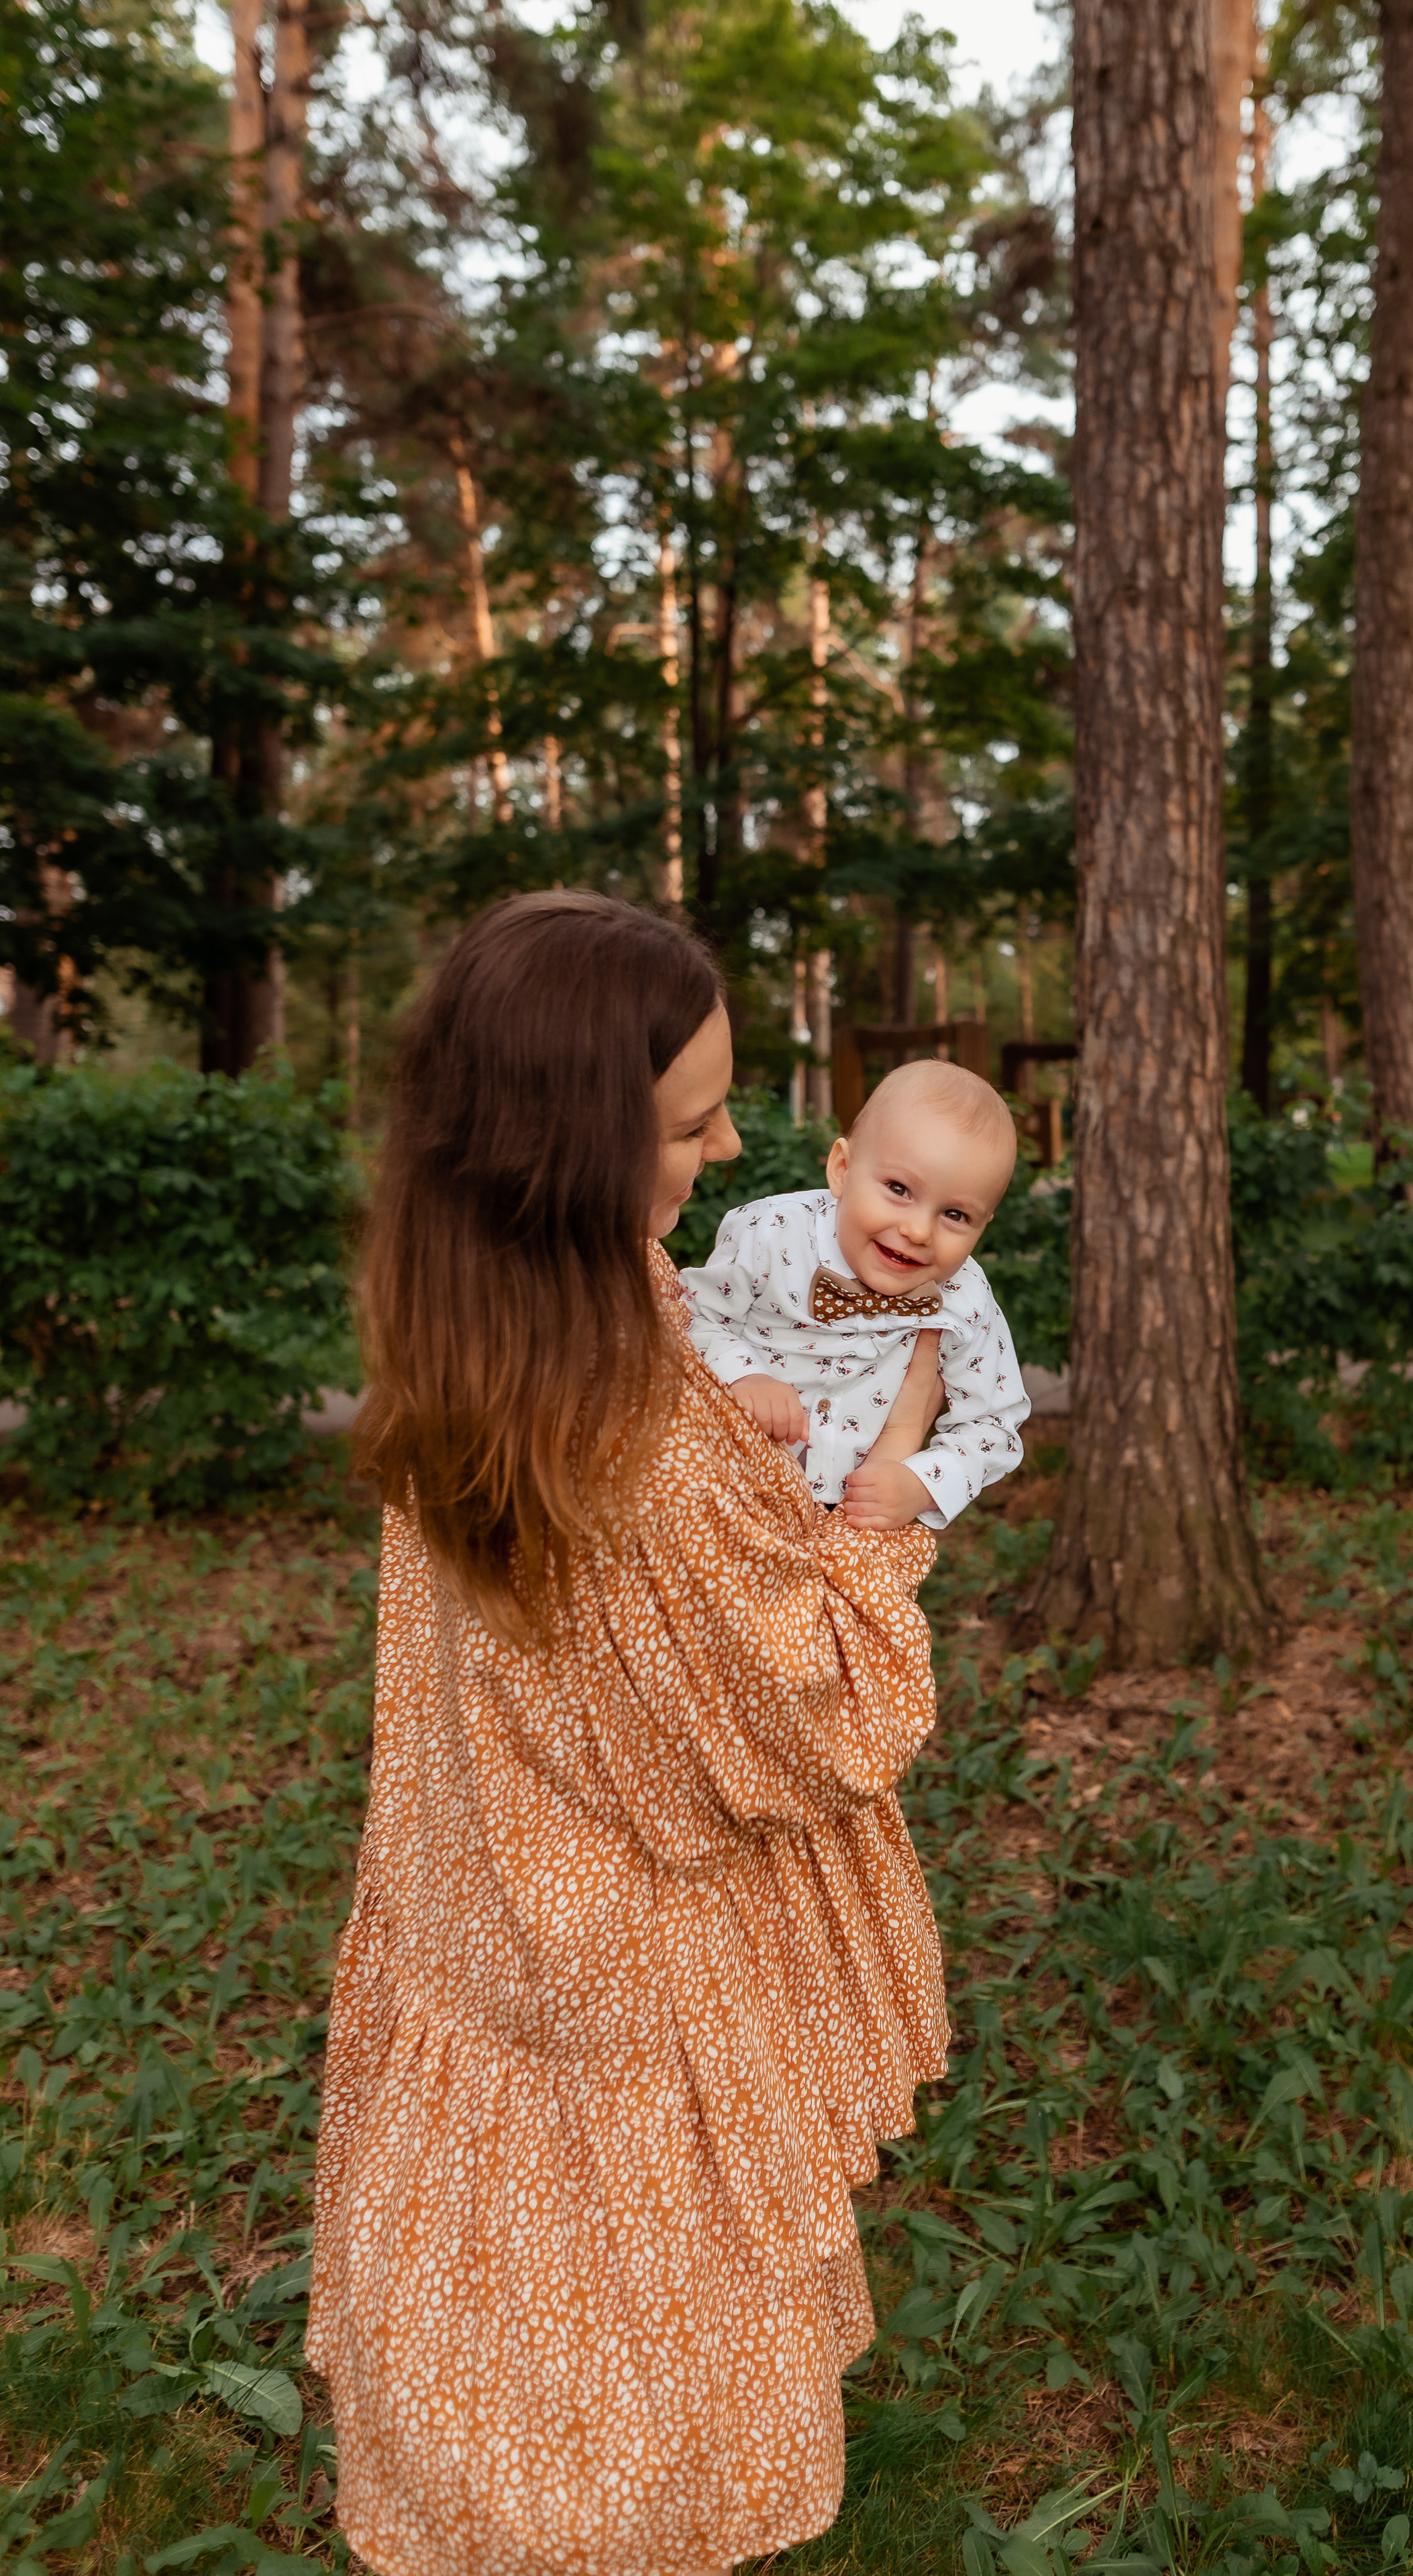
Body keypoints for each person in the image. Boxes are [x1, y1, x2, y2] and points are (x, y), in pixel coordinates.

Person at [306, 889, 951, 2576]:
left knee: (505, 2374)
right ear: (568, 1150)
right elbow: (817, 1713)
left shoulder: (477, 1330)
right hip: (618, 1983)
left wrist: (728, 1424)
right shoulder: (634, 1440)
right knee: (627, 2422)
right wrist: (883, 1506)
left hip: (482, 1908)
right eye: (688, 1122)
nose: (730, 1148)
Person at [680, 1059, 1029, 1533]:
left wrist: (921, 1483)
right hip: (728, 1487)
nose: (917, 1230)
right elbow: (687, 1316)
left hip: (849, 1519)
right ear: (842, 1169)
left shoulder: (964, 1298)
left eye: (955, 1215)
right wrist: (745, 1374)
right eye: (899, 1189)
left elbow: (995, 1425)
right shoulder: (772, 1234)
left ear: (984, 1225)